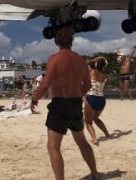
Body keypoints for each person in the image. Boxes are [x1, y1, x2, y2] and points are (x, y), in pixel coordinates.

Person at [30, 27, 100, 180]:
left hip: (60, 104)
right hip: (75, 104)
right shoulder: (80, 60)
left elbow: (45, 84)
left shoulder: (54, 59)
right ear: (71, 41)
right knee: (82, 142)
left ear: (57, 42)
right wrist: (77, 94)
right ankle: (95, 174)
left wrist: (34, 99)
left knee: (53, 147)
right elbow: (88, 85)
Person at [84, 56, 110, 145]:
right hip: (101, 99)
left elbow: (85, 64)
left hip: (91, 98)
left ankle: (95, 139)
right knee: (96, 118)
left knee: (88, 122)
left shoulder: (92, 72)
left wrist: (92, 60)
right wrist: (98, 60)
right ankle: (107, 134)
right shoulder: (104, 76)